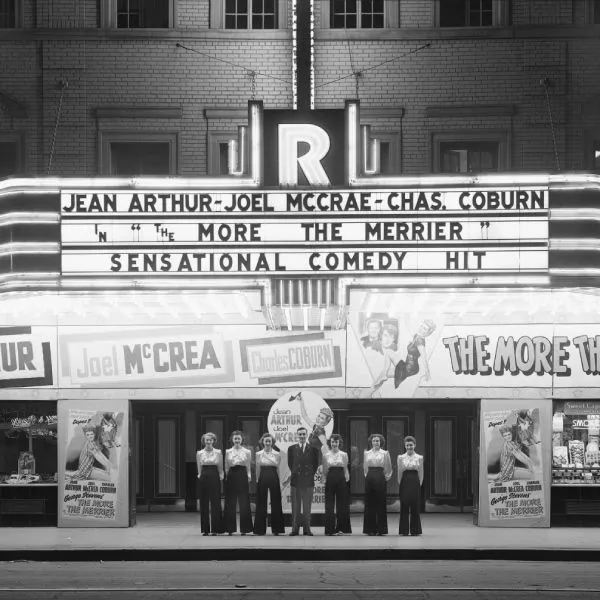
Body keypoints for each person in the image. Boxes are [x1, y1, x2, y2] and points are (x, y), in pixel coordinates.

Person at [368, 320, 436, 397]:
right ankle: (372, 391)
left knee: (384, 374)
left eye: (424, 329)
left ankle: (370, 393)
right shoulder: (417, 336)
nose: (421, 329)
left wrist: (427, 373)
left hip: (409, 369)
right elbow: (414, 346)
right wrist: (411, 344)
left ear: (428, 332)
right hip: (406, 364)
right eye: (422, 326)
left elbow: (424, 359)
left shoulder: (420, 341)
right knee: (388, 353)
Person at [286, 426, 319, 536]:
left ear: (306, 434)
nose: (302, 436)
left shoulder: (314, 449)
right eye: (300, 434)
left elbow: (315, 465)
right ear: (297, 435)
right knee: (295, 508)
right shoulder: (291, 449)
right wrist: (296, 473)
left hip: (308, 481)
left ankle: (307, 529)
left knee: (307, 508)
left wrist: (308, 475)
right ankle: (295, 529)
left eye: (303, 434)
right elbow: (291, 464)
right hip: (295, 481)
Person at [253, 433, 285, 536]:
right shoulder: (258, 454)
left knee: (276, 502)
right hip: (263, 476)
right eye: (266, 441)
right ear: (263, 442)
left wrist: (279, 481)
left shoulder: (277, 454)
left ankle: (277, 529)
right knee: (261, 502)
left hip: (273, 475)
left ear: (272, 443)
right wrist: (258, 480)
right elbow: (257, 468)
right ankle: (259, 530)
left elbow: (278, 469)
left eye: (269, 441)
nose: (267, 443)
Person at [224, 430, 253, 535]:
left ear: (242, 440)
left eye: (238, 438)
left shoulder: (247, 452)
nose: (237, 440)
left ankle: (245, 529)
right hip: (232, 474)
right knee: (230, 502)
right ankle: (230, 529)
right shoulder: (228, 451)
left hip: (242, 474)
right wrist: (227, 476)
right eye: (235, 438)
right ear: (232, 440)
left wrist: (249, 476)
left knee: (244, 502)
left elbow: (248, 466)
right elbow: (226, 466)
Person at [363, 433, 392, 535]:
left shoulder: (385, 453)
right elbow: (365, 468)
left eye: (378, 441)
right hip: (370, 477)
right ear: (371, 442)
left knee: (380, 503)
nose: (376, 442)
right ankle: (370, 529)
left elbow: (388, 469)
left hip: (380, 477)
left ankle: (381, 529)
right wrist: (369, 476)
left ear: (381, 442)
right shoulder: (366, 453)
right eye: (374, 441)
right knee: (370, 503)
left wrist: (384, 478)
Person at [322, 433, 351, 536]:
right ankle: (329, 529)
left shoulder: (344, 454)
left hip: (341, 478)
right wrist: (325, 480)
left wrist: (346, 478)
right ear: (330, 443)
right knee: (329, 505)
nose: (334, 443)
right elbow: (325, 470)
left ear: (339, 443)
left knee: (341, 504)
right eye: (333, 442)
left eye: (336, 442)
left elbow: (345, 468)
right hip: (330, 477)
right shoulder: (325, 455)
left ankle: (341, 528)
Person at [196, 432, 224, 536]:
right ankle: (205, 530)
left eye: (210, 440)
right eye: (206, 440)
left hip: (214, 474)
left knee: (215, 502)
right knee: (204, 502)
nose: (208, 442)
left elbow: (220, 466)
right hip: (204, 475)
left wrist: (221, 476)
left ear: (213, 441)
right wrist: (200, 476)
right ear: (204, 441)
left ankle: (216, 529)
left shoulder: (218, 452)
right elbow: (199, 467)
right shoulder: (199, 453)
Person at [397, 435, 424, 536]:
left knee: (415, 506)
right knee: (404, 505)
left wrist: (419, 484)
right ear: (405, 446)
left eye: (411, 445)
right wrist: (401, 483)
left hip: (415, 481)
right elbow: (399, 472)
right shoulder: (400, 457)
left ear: (415, 445)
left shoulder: (420, 457)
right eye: (407, 445)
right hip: (405, 481)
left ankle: (415, 530)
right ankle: (403, 530)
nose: (409, 447)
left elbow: (421, 473)